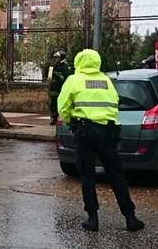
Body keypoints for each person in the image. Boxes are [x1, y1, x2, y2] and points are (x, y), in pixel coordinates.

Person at [57, 49, 145, 233]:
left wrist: (70, 122)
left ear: (79, 62)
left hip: (85, 131)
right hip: (107, 131)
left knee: (87, 174)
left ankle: (92, 218)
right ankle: (130, 217)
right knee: (116, 174)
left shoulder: (74, 80)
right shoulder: (106, 81)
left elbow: (63, 106)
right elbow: (114, 105)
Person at [47, 50, 72, 125]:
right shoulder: (54, 66)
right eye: (56, 57)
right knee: (52, 104)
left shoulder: (66, 67)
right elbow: (49, 77)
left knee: (60, 104)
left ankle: (60, 119)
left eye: (58, 57)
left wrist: (56, 75)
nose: (56, 59)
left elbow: (64, 78)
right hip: (53, 89)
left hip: (61, 89)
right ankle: (54, 118)